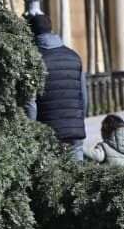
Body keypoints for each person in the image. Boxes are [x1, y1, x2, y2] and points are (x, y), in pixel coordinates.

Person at [26, 12, 89, 158]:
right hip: (74, 130)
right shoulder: (74, 57)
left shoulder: (33, 61)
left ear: (30, 33)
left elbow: (30, 103)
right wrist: (78, 121)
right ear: (51, 29)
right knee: (76, 171)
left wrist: (31, 129)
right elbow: (84, 97)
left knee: (50, 171)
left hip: (47, 131)